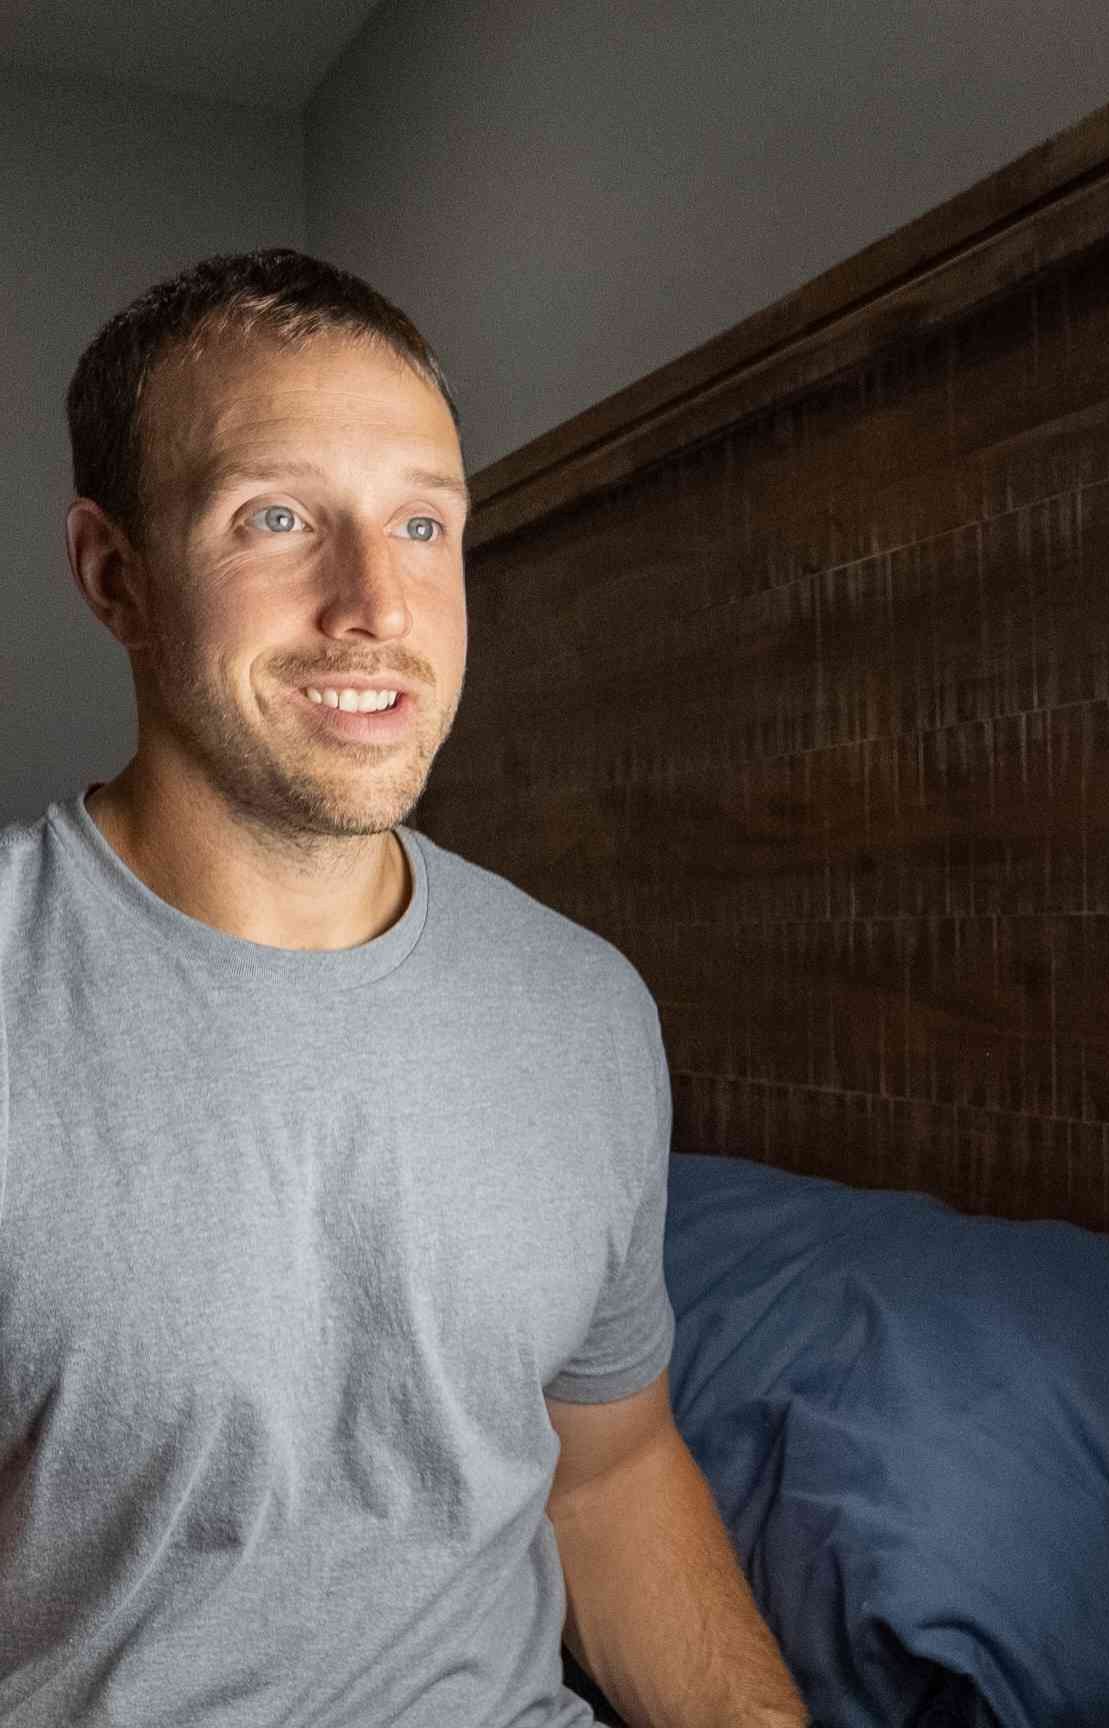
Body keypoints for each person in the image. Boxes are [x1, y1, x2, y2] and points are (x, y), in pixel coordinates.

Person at [0, 247, 810, 1728]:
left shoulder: (585, 1010)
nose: (374, 604)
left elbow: (613, 1477)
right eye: (280, 517)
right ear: (116, 575)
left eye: (423, 524)